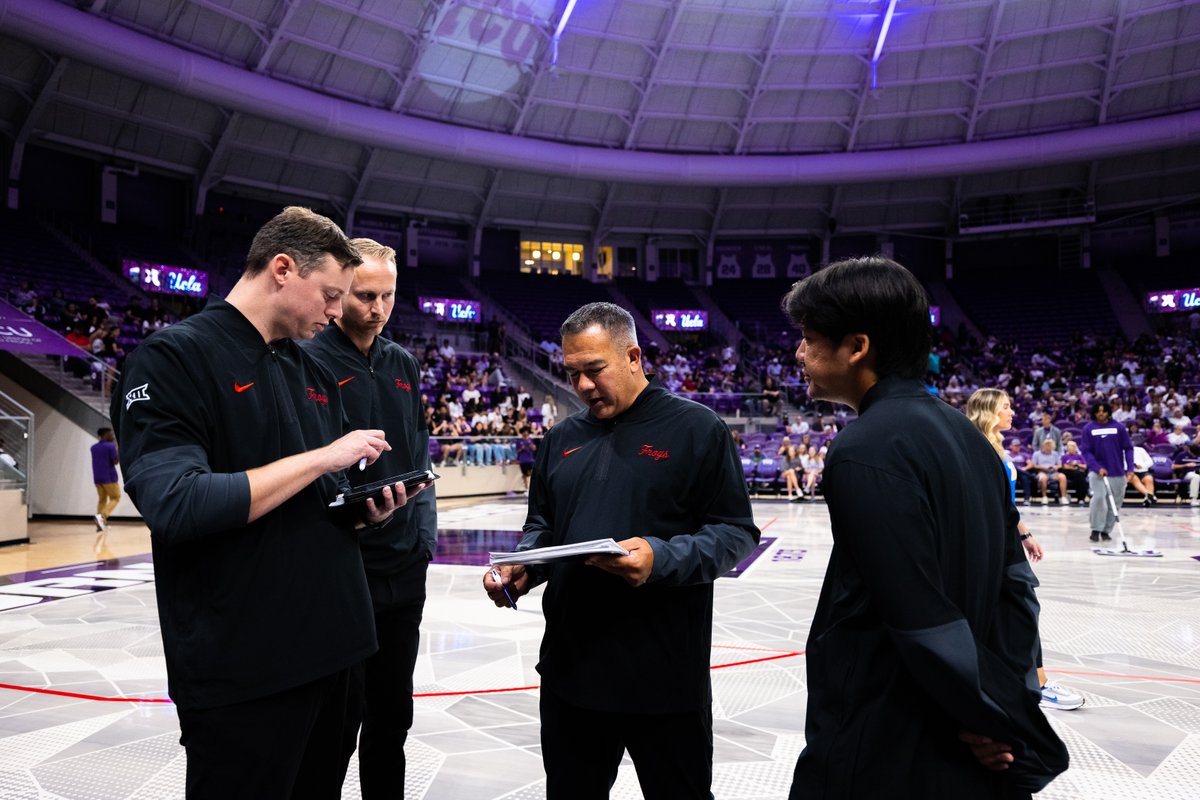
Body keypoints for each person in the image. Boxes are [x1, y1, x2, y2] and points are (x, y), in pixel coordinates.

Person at [111, 206, 411, 799]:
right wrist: (323, 458)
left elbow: (313, 497)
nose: (337, 312)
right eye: (330, 295)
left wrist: (360, 509)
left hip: (336, 649)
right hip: (245, 667)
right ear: (282, 269)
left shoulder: (309, 368)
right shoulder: (174, 358)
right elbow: (176, 502)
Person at [782, 257, 1066, 799]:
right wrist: (999, 710)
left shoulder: (864, 449)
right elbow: (1016, 588)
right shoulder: (969, 437)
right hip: (969, 741)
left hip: (887, 737)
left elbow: (917, 614)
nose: (799, 353)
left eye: (810, 338)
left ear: (857, 346)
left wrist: (984, 714)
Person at [482, 302, 759, 799]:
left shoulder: (697, 429)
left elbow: (735, 532)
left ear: (633, 357)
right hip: (572, 671)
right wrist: (524, 565)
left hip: (663, 673)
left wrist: (660, 557)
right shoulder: (560, 439)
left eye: (595, 369)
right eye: (573, 373)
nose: (583, 386)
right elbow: (543, 525)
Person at [300, 238, 436, 798]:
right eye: (364, 296)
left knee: (392, 720)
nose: (377, 309)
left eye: (388, 296)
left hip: (404, 570)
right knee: (336, 728)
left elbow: (419, 453)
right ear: (340, 290)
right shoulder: (308, 357)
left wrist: (424, 540)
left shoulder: (403, 362)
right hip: (343, 567)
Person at [966, 389, 1084, 712]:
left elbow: (1006, 501)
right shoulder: (976, 447)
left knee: (1011, 608)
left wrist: (1025, 534)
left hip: (1005, 535)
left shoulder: (995, 445)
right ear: (989, 411)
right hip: (990, 540)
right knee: (1022, 606)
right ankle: (1037, 685)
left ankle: (1021, 680)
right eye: (1005, 407)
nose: (1012, 412)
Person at [1080, 401, 1135, 543]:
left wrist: (1130, 468)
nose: (1101, 414)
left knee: (1114, 503)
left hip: (1117, 471)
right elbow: (1086, 451)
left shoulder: (1119, 428)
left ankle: (1106, 530)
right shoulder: (1089, 428)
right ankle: (1095, 529)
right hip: (1097, 472)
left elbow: (1128, 448)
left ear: (1108, 412)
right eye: (1098, 411)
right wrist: (1096, 467)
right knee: (1099, 498)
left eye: (1103, 411)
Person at [90, 427, 121, 552]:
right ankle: (102, 517)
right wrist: (117, 449)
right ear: (104, 435)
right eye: (110, 434)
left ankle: (100, 524)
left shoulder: (93, 447)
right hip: (109, 477)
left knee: (102, 499)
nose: (112, 436)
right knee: (116, 497)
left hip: (97, 478)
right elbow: (115, 461)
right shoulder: (110, 446)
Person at [1029, 438, 1069, 505]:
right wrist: (1044, 467)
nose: (1048, 450)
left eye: (1050, 448)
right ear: (1043, 447)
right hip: (1041, 472)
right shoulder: (1036, 454)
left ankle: (1063, 497)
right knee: (1043, 478)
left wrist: (1055, 467)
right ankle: (1044, 497)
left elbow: (1059, 465)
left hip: (1053, 472)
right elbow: (1034, 465)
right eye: (1047, 448)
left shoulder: (1055, 454)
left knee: (1062, 476)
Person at [1059, 440, 1090, 505]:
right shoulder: (1064, 457)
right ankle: (1081, 498)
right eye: (1070, 448)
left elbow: (1085, 466)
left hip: (1079, 472)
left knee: (1080, 475)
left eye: (1073, 448)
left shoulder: (1080, 456)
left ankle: (1081, 497)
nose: (1072, 450)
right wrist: (1074, 467)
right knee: (1079, 475)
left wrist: (1077, 465)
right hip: (1069, 473)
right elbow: (1065, 467)